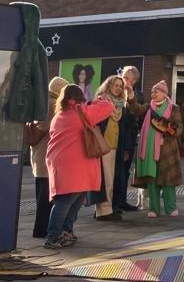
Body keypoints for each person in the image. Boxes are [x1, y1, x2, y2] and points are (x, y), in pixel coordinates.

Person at [44, 84, 115, 249]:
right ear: (76, 100)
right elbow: (107, 108)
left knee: (74, 198)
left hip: (62, 162)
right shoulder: (81, 113)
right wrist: (97, 101)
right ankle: (53, 236)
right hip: (74, 164)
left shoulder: (59, 115)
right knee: (67, 199)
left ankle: (65, 231)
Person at [129, 80, 183, 218]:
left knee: (168, 180)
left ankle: (171, 208)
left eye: (156, 91)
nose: (153, 94)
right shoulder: (148, 107)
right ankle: (154, 209)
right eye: (152, 91)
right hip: (149, 149)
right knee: (152, 180)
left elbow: (180, 128)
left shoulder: (174, 108)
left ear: (164, 94)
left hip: (168, 150)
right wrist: (131, 97)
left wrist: (170, 129)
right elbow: (136, 109)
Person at [25, 76, 67, 238]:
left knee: (41, 195)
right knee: (46, 198)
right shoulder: (53, 105)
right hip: (47, 156)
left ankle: (40, 229)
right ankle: (41, 230)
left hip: (38, 154)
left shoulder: (42, 102)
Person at [88, 75, 135, 220]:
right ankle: (103, 211)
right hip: (103, 147)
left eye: (121, 86)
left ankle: (109, 207)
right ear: (108, 86)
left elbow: (129, 126)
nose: (118, 88)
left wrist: (126, 148)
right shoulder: (101, 102)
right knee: (104, 180)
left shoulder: (121, 105)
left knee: (113, 179)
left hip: (116, 147)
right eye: (115, 85)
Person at [119, 65, 141, 212]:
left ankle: (121, 200)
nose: (124, 81)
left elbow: (136, 116)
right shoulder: (114, 91)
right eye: (124, 77)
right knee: (113, 173)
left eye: (128, 79)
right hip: (115, 138)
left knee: (124, 171)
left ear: (134, 81)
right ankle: (112, 203)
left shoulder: (137, 96)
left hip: (128, 139)